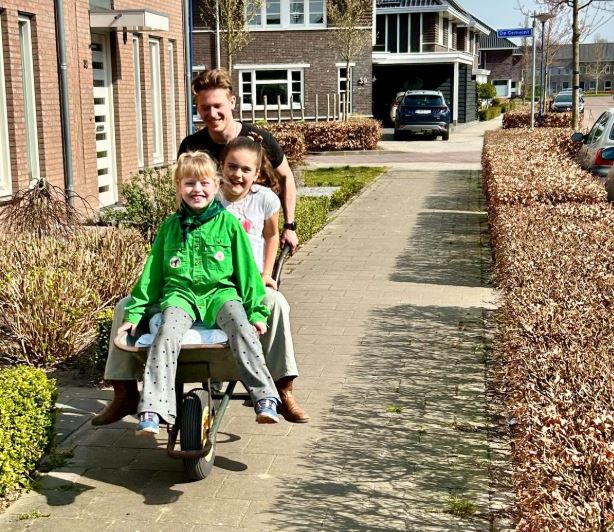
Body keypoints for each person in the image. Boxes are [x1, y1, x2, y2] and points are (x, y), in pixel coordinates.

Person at [117, 151, 280, 435]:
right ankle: (153, 409)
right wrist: (134, 313)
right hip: (180, 296)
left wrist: (256, 312)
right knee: (166, 332)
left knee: (242, 326)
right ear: (179, 187)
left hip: (220, 294)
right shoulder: (170, 227)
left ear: (216, 186)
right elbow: (152, 275)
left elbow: (248, 274)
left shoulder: (228, 224)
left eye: (204, 183)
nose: (197, 190)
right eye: (189, 183)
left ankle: (265, 397)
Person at [218, 134, 309, 423]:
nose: (238, 174)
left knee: (276, 304)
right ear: (221, 166)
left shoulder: (265, 199)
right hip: (215, 284)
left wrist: (266, 274)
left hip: (251, 282)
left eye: (246, 169)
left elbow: (270, 236)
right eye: (232, 166)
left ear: (256, 174)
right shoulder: (208, 197)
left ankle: (283, 389)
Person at [178, 68, 299, 252]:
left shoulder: (260, 141)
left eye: (218, 106)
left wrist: (289, 226)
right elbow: (183, 190)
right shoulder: (191, 146)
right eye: (205, 107)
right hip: (209, 246)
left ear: (232, 102)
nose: (212, 113)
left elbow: (285, 177)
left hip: (254, 243)